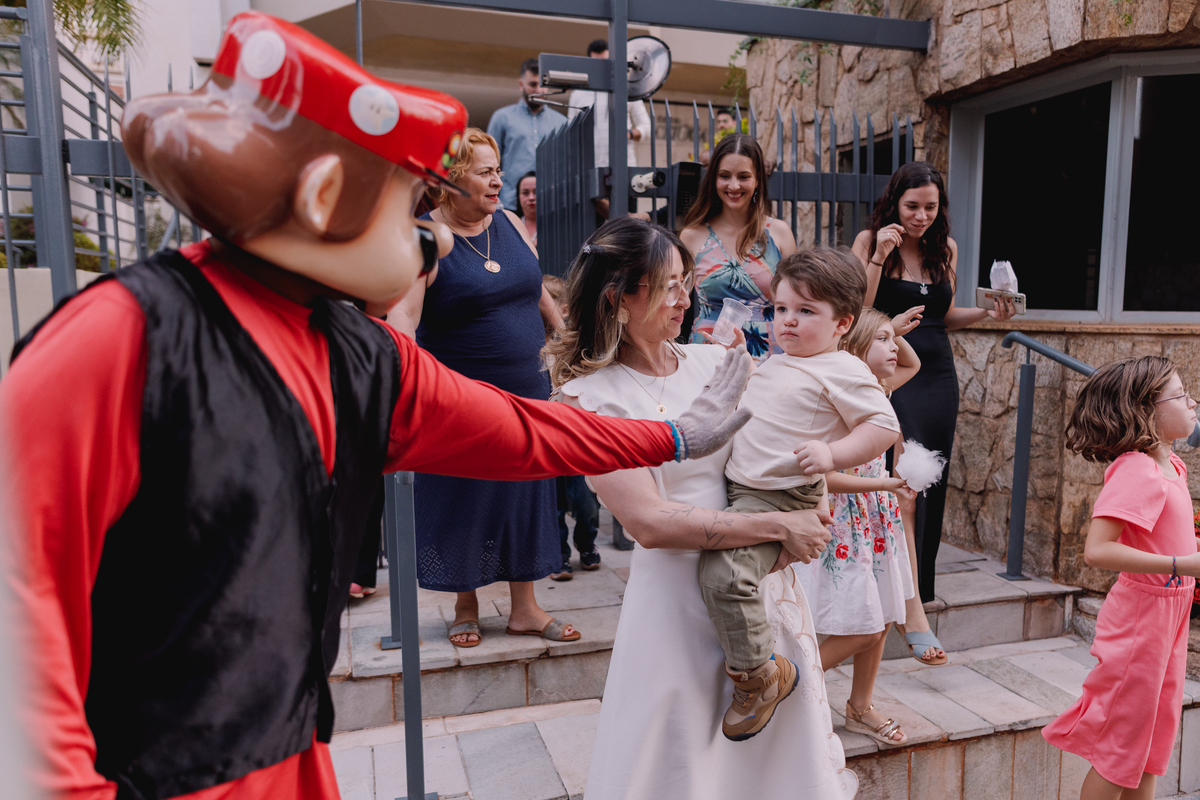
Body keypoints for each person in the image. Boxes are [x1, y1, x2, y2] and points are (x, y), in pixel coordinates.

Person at [0, 15, 755, 800]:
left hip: (288, 755)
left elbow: (518, 428)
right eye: (411, 202)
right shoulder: (117, 343)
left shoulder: (356, 351)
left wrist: (667, 434)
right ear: (324, 197)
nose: (425, 231)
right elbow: (19, 624)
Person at [549, 217, 857, 799]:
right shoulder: (588, 400)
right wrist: (776, 524)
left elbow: (779, 446)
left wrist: (816, 496)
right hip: (675, 604)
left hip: (758, 583)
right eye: (670, 286)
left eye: (686, 281)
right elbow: (648, 522)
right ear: (620, 298)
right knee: (681, 761)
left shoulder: (713, 362)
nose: (687, 299)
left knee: (775, 767)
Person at [390, 128, 579, 648]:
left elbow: (535, 288)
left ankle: (525, 608)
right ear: (451, 181)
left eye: (498, 169)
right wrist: (404, 374)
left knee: (525, 493)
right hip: (461, 398)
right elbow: (404, 312)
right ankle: (465, 604)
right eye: (485, 171)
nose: (499, 180)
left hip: (528, 392)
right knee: (463, 493)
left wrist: (565, 339)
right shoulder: (424, 236)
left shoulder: (512, 223)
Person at [704, 248, 900, 741]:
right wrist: (733, 357)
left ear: (842, 323)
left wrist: (832, 455)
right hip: (744, 488)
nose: (788, 321)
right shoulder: (782, 360)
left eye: (806, 311)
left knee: (725, 575)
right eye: (781, 309)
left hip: (776, 499)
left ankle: (760, 675)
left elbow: (883, 425)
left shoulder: (844, 368)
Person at [853, 161, 1015, 660]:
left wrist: (991, 309)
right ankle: (885, 586)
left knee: (931, 483)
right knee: (899, 481)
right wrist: (879, 255)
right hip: (891, 364)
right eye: (912, 206)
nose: (922, 215)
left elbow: (943, 317)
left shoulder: (946, 250)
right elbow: (856, 307)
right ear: (894, 203)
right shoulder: (868, 241)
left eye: (931, 206)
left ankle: (919, 590)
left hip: (939, 370)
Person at [1042, 356, 1200, 799]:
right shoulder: (1137, 468)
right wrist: (1181, 564)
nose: (1192, 402)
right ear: (1146, 410)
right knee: (1122, 746)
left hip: (1171, 611)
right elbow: (1097, 550)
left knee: (1151, 740)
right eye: (1181, 394)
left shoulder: (1172, 466)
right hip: (1142, 618)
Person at [796, 307, 922, 747]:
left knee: (884, 614)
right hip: (844, 521)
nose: (894, 349)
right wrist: (886, 482)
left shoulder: (881, 387)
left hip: (876, 520)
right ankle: (785, 685)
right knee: (863, 624)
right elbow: (822, 475)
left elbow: (913, 363)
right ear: (853, 348)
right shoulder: (834, 399)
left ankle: (859, 706)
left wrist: (894, 329)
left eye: (893, 340)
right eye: (883, 341)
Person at [681, 134, 796, 362]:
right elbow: (674, 302)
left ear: (757, 180)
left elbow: (796, 300)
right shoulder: (692, 236)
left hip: (769, 352)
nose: (733, 185)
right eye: (724, 176)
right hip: (708, 352)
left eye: (743, 176)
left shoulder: (779, 233)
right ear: (714, 179)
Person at [542, 274, 602, 581]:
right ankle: (559, 556)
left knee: (585, 500)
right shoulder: (532, 343)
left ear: (564, 309)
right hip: (547, 440)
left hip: (575, 437)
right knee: (552, 504)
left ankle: (586, 542)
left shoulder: (574, 346)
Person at [568, 39, 652, 220]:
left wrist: (628, 134)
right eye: (597, 63)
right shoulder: (578, 94)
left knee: (625, 228)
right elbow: (572, 134)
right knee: (594, 231)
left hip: (625, 172)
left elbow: (646, 127)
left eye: (605, 62)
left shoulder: (628, 90)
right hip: (591, 173)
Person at [487, 58, 566, 212]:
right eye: (533, 84)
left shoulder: (562, 122)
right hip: (510, 204)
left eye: (543, 85)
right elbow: (489, 162)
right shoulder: (502, 118)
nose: (539, 90)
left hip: (551, 205)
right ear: (521, 84)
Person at [516, 170, 538, 246]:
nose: (531, 198)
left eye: (536, 192)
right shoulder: (511, 227)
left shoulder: (555, 226)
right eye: (525, 193)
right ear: (518, 197)